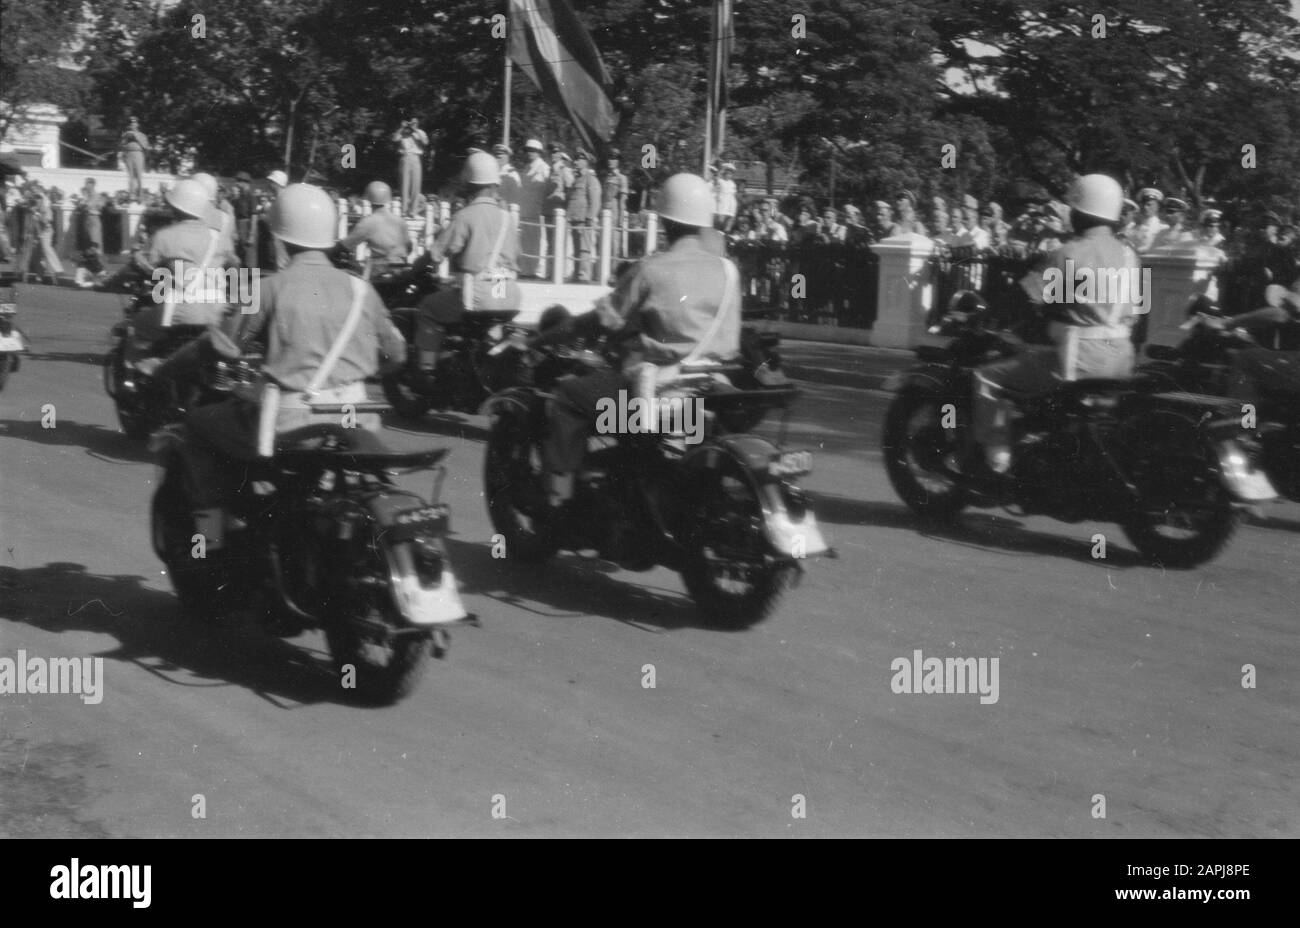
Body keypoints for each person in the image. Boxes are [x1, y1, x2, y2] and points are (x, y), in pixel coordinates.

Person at [173, 183, 406, 543]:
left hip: (290, 423)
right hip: (359, 416)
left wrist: (168, 367)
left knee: (199, 425)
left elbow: (221, 345)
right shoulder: (363, 289)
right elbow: (396, 356)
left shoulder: (263, 288)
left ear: (278, 239)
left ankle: (208, 548)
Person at [537, 173, 742, 509]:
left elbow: (601, 321)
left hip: (654, 395)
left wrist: (546, 337)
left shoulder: (650, 270)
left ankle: (558, 501)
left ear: (664, 221)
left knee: (566, 397)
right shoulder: (729, 271)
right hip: (710, 387)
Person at [971, 173, 1141, 473]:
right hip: (1122, 361)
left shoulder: (1068, 253)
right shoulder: (1130, 256)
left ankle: (997, 457)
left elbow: (1024, 299)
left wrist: (983, 318)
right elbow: (1136, 311)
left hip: (1077, 360)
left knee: (986, 377)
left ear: (1079, 212)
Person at [412, 151, 521, 374]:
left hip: (478, 294)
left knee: (428, 308)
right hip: (507, 293)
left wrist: (414, 269)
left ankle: (426, 371)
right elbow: (515, 256)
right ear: (495, 185)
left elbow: (436, 254)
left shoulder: (465, 216)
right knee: (489, 322)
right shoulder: (507, 219)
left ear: (469, 184)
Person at [127, 179, 233, 349]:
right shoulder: (217, 238)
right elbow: (232, 262)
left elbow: (144, 264)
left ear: (176, 208)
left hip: (182, 309)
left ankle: (147, 369)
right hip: (217, 311)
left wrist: (136, 259)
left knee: (137, 324)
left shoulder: (165, 236)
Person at [339, 180, 409, 278]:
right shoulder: (400, 221)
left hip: (381, 269)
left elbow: (346, 245)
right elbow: (409, 246)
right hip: (401, 268)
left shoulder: (368, 222)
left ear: (368, 199)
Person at [566, 149, 602, 282]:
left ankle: (584, 275)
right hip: (575, 220)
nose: (576, 162)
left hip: (584, 220)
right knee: (576, 249)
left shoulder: (591, 179)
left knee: (584, 249)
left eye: (579, 159)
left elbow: (595, 201)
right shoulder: (577, 179)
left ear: (586, 162)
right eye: (575, 159)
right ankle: (577, 274)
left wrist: (590, 217)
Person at [518, 139, 551, 277]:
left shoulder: (543, 167)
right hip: (525, 210)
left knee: (535, 242)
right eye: (528, 150)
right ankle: (525, 270)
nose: (530, 153)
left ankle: (533, 270)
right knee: (524, 242)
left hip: (537, 211)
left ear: (539, 152)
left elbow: (548, 189)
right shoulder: (526, 168)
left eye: (533, 150)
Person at [393, 118, 429, 215]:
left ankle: (413, 211)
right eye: (411, 123)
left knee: (416, 185)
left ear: (417, 123)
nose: (412, 124)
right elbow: (394, 138)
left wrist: (415, 130)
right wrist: (401, 128)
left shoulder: (420, 132)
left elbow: (425, 142)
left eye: (415, 123)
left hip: (416, 158)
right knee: (404, 184)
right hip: (405, 157)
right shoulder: (403, 132)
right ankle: (404, 210)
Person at [602, 149, 629, 255]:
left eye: (613, 158)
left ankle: (614, 269)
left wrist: (621, 220)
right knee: (604, 243)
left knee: (614, 244)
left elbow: (622, 201)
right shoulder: (607, 177)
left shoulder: (622, 178)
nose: (610, 161)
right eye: (609, 158)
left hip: (615, 213)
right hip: (605, 211)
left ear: (618, 162)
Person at [119, 117, 149, 201]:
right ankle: (131, 194)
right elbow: (121, 145)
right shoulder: (126, 134)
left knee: (139, 175)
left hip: (138, 153)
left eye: (134, 123)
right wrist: (125, 138)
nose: (132, 125)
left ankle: (140, 195)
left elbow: (145, 146)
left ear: (137, 124)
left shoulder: (142, 135)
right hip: (129, 154)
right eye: (131, 123)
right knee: (131, 176)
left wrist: (136, 137)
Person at [1129, 187, 1166, 252]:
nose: (1145, 207)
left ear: (1157, 207)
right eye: (1143, 205)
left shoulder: (1163, 228)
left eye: (1149, 205)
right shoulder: (1133, 227)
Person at [493, 143, 521, 209]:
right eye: (496, 157)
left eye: (500, 158)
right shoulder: (494, 172)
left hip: (505, 209)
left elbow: (515, 198)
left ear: (507, 157)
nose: (498, 160)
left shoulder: (513, 174)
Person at [713, 162, 738, 232]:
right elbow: (717, 179)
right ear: (724, 173)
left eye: (730, 174)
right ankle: (717, 231)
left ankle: (725, 233)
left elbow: (734, 194)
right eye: (727, 173)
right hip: (722, 202)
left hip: (730, 203)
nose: (728, 175)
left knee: (729, 220)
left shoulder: (732, 183)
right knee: (720, 220)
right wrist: (722, 168)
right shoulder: (720, 181)